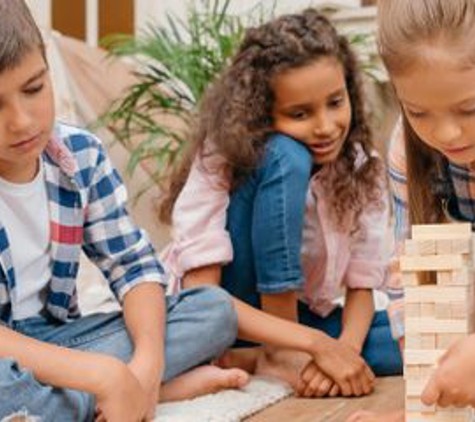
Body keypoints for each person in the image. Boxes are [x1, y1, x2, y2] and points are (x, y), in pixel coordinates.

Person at [0, 2, 254, 421]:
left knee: (214, 310)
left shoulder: (80, 156)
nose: (22, 121)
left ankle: (134, 392)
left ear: (47, 66)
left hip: (66, 342)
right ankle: (122, 395)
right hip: (11, 358)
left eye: (33, 89)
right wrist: (100, 376)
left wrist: (147, 367)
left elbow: (133, 267)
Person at [160, 8, 402, 398]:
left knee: (410, 340)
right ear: (261, 113)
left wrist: (344, 355)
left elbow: (362, 288)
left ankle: (260, 357)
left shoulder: (362, 169)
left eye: (335, 102)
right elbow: (203, 300)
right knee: (286, 155)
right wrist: (306, 346)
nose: (325, 126)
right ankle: (277, 353)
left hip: (305, 322)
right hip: (220, 317)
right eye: (300, 113)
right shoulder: (222, 156)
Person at [347, 0, 475, 420]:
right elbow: (412, 281)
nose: (446, 132)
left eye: (469, 109)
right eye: (418, 112)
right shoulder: (409, 148)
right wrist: (424, 400)